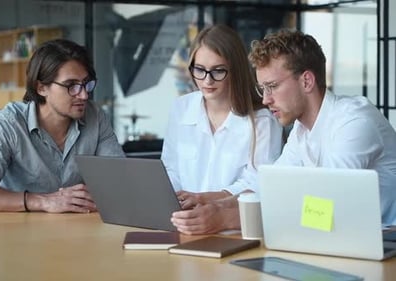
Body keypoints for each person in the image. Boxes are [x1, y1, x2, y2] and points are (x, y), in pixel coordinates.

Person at [248, 29, 396, 226]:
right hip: (344, 240)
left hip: (387, 244)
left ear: (306, 81)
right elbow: (269, 188)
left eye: (272, 86)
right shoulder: (301, 131)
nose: (266, 99)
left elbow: (326, 207)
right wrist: (216, 204)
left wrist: (233, 216)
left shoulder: (354, 122)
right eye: (262, 89)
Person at [0, 39, 125, 213]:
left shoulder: (95, 117)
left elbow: (121, 180)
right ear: (41, 88)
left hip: (77, 231)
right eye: (71, 86)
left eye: (86, 84)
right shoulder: (9, 123)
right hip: (17, 231)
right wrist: (43, 202)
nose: (84, 95)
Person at [164, 24, 283, 234]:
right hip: (183, 225)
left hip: (234, 232)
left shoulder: (263, 120)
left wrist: (207, 200)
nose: (207, 80)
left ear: (235, 70)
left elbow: (258, 185)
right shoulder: (180, 108)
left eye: (218, 71)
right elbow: (170, 170)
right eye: (199, 70)